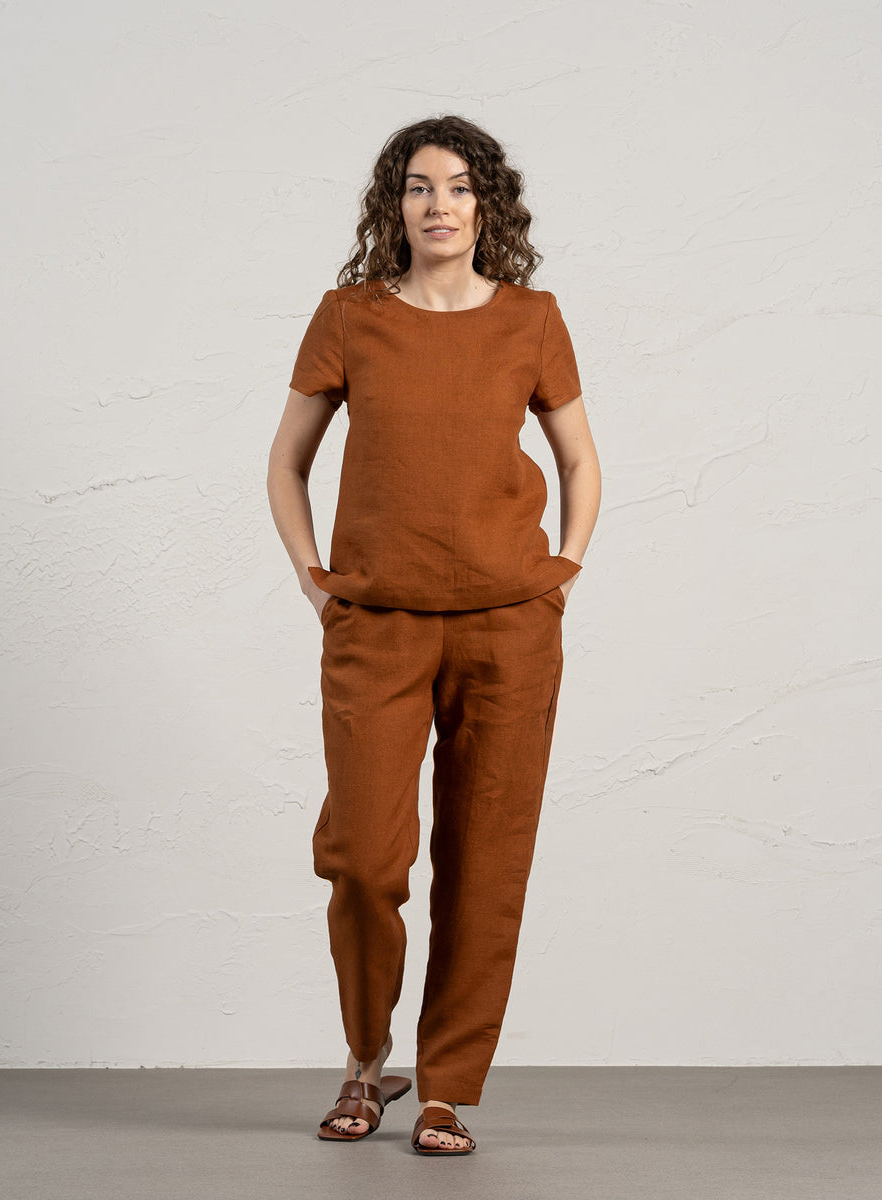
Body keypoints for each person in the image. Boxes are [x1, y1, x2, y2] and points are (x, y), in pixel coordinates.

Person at [266, 114, 601, 1156]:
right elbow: (286, 462)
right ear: (395, 205)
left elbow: (580, 459)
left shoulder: (533, 319)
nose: (439, 204)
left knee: (486, 859)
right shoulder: (351, 316)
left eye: (459, 186)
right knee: (365, 857)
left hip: (509, 629)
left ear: (488, 206)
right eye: (419, 186)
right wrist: (317, 585)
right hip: (377, 627)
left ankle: (448, 1086)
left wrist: (563, 570)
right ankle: (368, 1059)